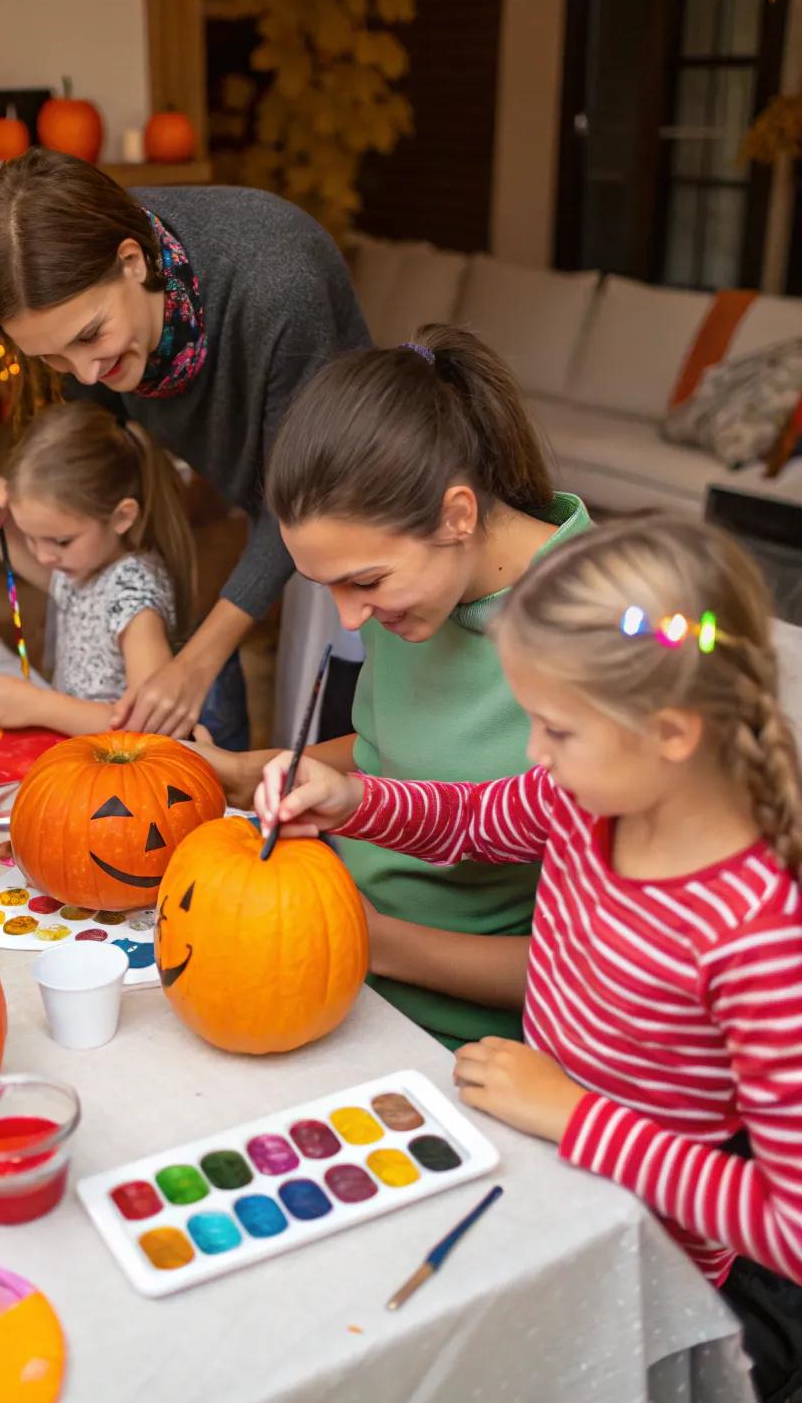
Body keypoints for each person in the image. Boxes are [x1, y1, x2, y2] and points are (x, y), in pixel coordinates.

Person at [256, 514, 802, 1403]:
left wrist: (575, 1115)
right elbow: (475, 822)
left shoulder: (756, 938)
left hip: (635, 1260)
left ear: (670, 732)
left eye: (554, 728)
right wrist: (355, 800)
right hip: (534, 1159)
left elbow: (788, 1226)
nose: (536, 754)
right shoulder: (586, 799)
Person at [202, 325, 591, 1047]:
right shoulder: (417, 591)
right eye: (330, 588)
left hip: (463, 1037)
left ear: (457, 515)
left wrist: (362, 938)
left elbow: (603, 974)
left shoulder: (605, 647)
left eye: (365, 583)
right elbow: (397, 756)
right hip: (342, 965)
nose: (351, 619)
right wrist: (248, 772)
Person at [0, 147, 370, 750]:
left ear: (132, 262)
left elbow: (296, 503)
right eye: (51, 358)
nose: (85, 371)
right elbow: (88, 444)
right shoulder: (90, 299)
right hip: (278, 502)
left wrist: (197, 663)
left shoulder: (276, 281)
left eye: (90, 336)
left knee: (356, 740)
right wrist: (18, 487)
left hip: (354, 504)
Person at [0, 401, 194, 738]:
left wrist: (39, 706)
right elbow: (9, 545)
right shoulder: (81, 565)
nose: (42, 557)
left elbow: (149, 726)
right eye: (31, 538)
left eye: (60, 541)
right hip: (75, 761)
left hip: (118, 780)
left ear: (121, 517)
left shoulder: (134, 593)